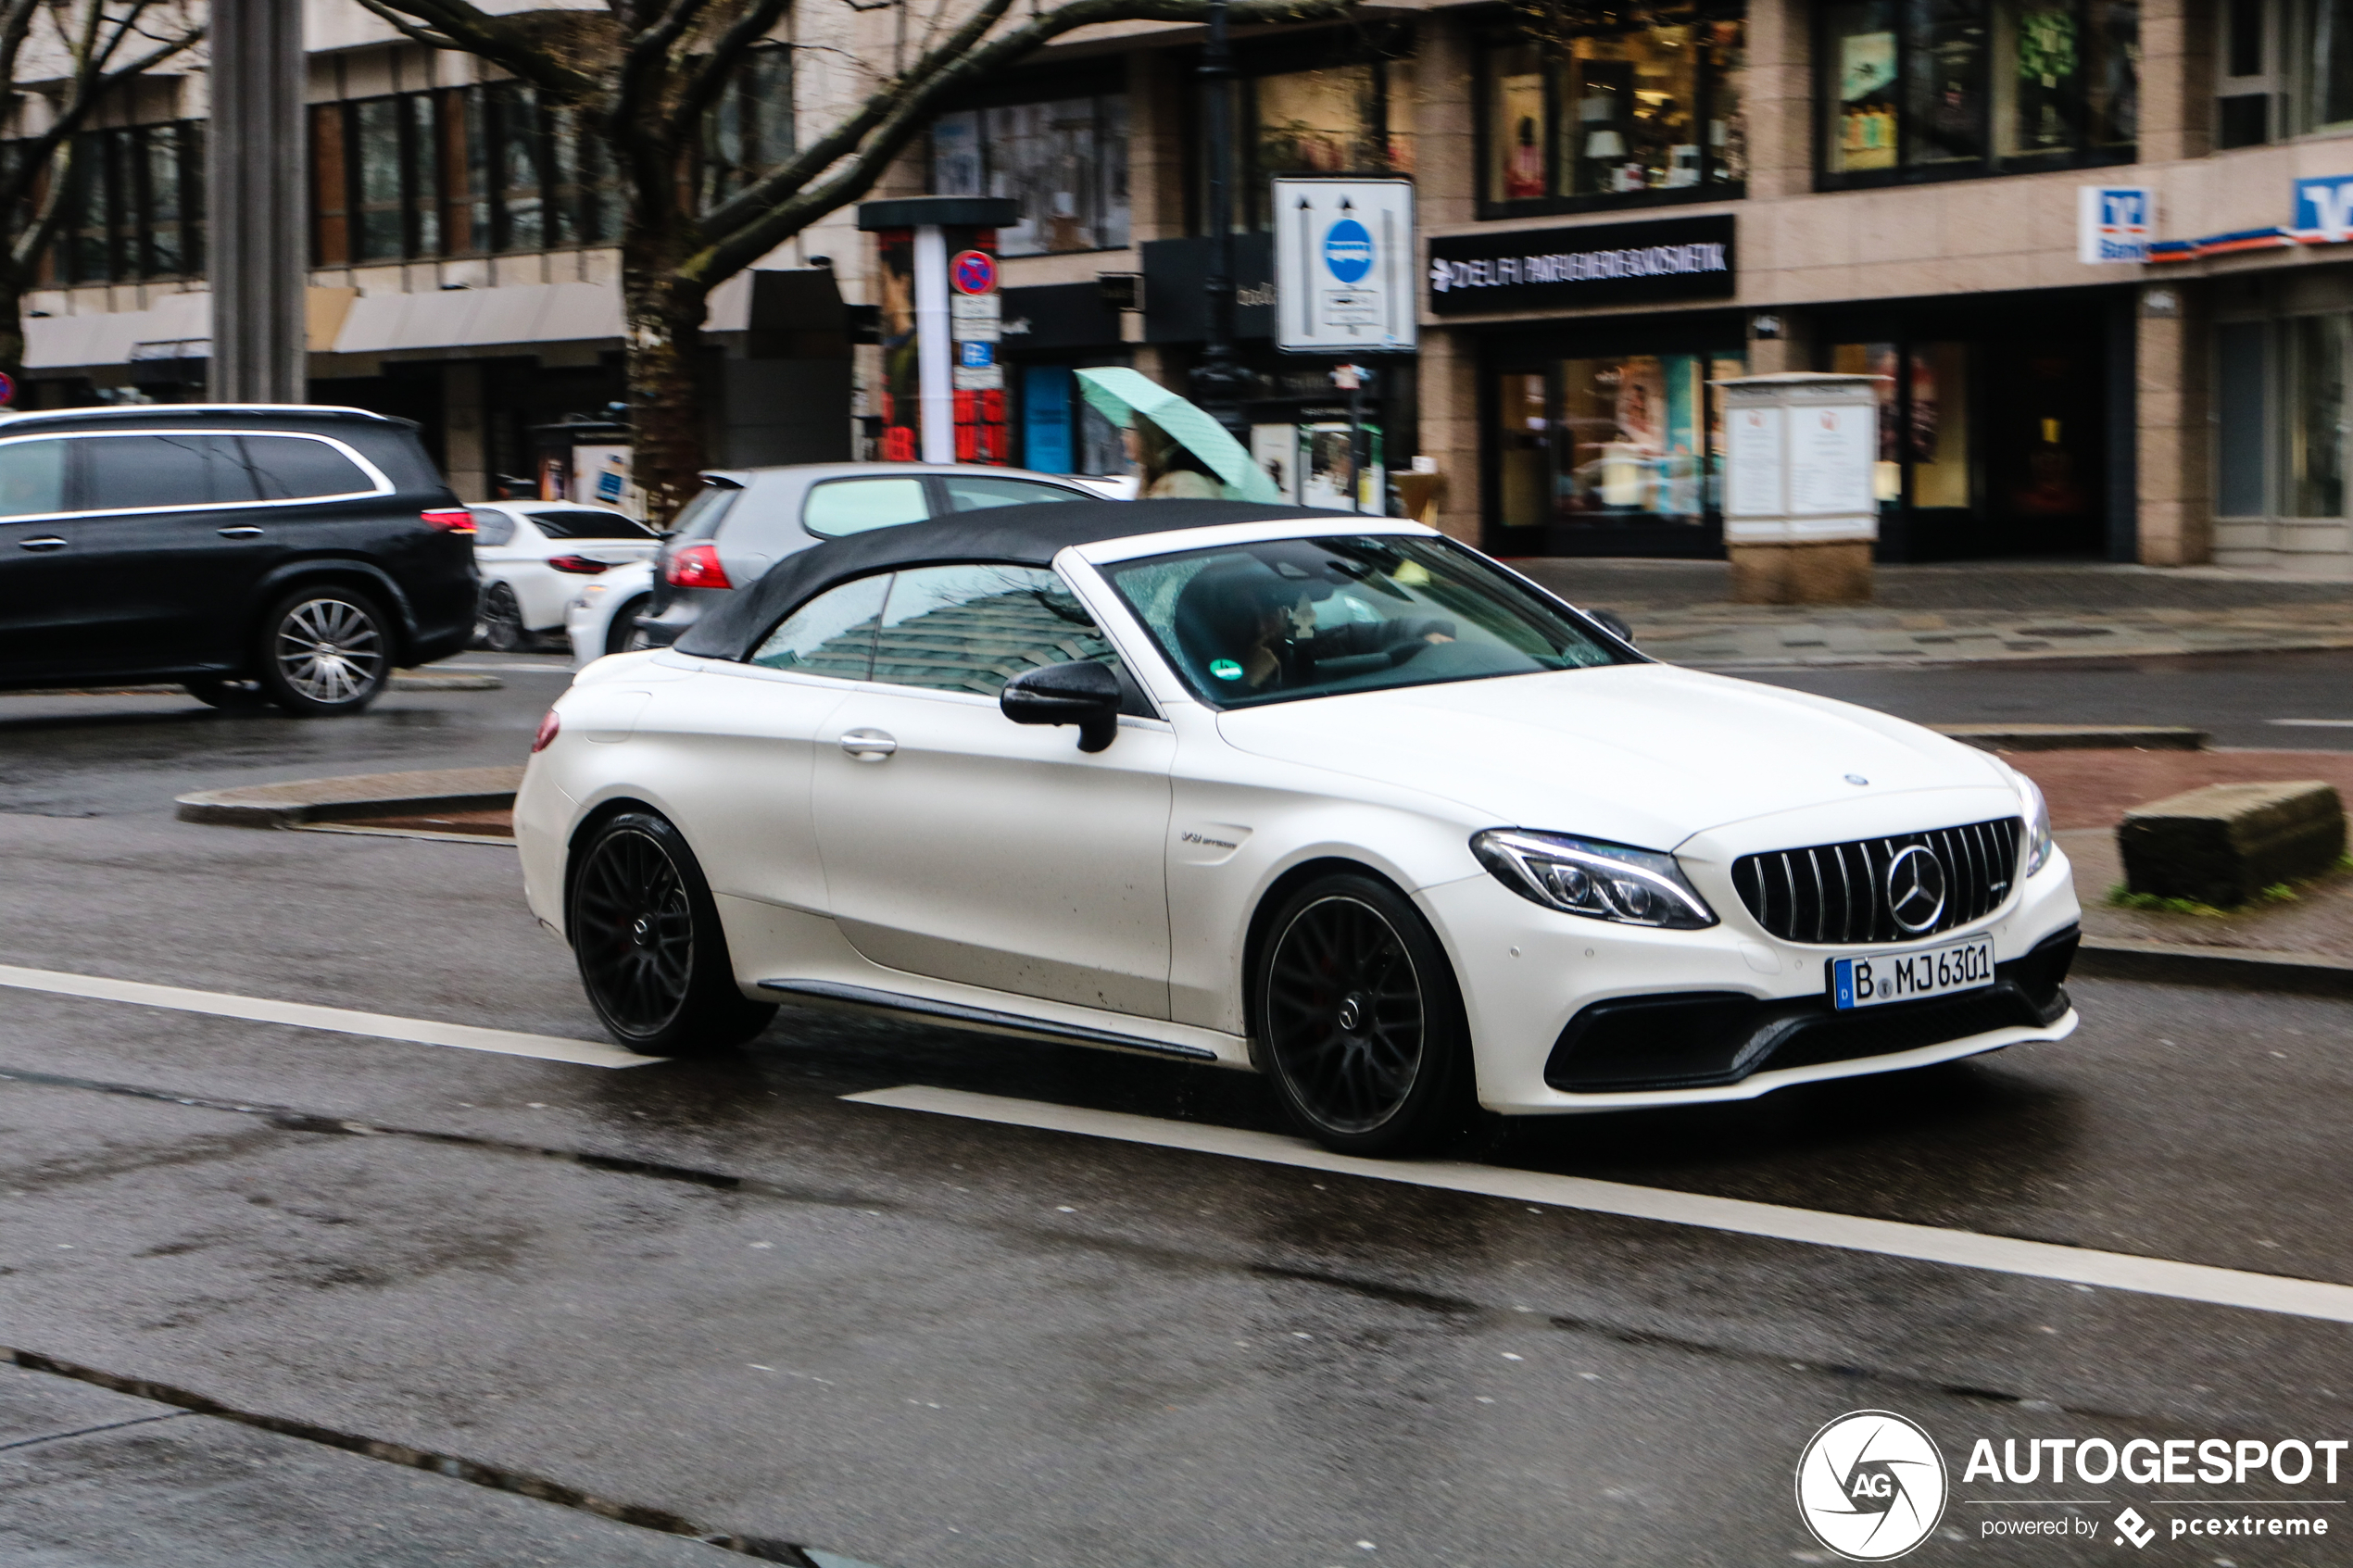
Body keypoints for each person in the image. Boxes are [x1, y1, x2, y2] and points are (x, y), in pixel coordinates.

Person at [1173, 558, 1454, 694]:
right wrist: (1252, 681)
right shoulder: (1190, 670)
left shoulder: (1302, 650)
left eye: (1273, 607)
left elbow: (1378, 633)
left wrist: (1429, 634)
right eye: (1244, 614)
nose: (1265, 623)